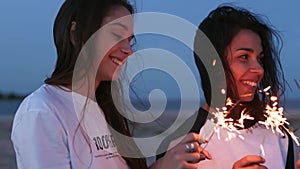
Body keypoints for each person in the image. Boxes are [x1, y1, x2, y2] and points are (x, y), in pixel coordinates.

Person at [11, 0, 209, 168]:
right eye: (116, 35)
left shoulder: (105, 109)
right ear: (75, 33)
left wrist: (170, 160)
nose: (128, 51)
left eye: (130, 40)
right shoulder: (42, 111)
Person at [192, 5, 296, 169]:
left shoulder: (279, 135)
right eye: (244, 57)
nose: (259, 70)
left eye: (259, 58)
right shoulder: (184, 140)